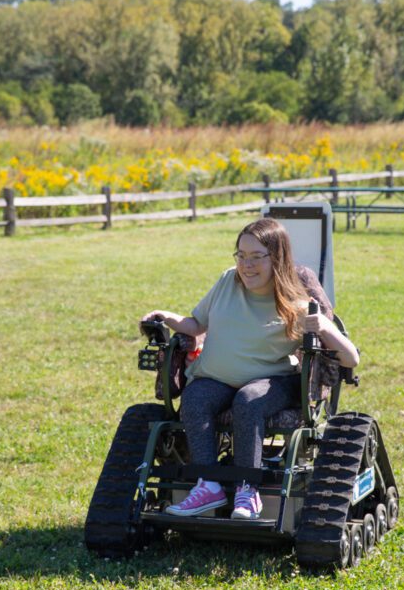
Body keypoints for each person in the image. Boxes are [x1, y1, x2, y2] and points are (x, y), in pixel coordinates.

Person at [141, 217, 359, 520]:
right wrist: (167, 317)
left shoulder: (296, 302)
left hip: (274, 381)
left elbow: (350, 359)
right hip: (217, 378)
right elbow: (197, 325)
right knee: (195, 398)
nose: (247, 264)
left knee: (249, 400)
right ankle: (209, 486)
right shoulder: (227, 281)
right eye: (241, 255)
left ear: (277, 258)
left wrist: (324, 326)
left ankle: (248, 491)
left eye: (257, 257)